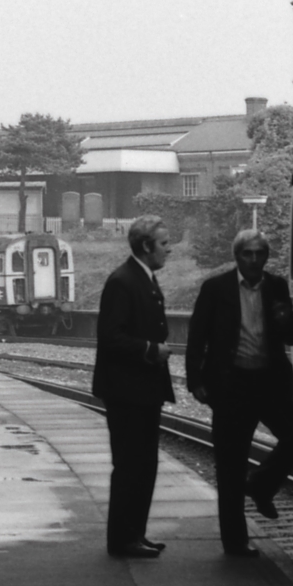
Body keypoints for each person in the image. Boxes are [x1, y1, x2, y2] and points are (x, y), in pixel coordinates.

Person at [186, 230, 293, 557]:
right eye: (247, 254)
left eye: (259, 254)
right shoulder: (216, 289)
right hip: (232, 386)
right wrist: (195, 380)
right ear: (237, 257)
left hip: (270, 385)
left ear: (266, 256)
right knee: (230, 465)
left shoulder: (277, 287)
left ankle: (261, 485)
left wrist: (286, 319)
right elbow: (197, 336)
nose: (254, 260)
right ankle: (235, 542)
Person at [91, 215, 175, 559]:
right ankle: (123, 538)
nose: (170, 249)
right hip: (127, 391)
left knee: (145, 464)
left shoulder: (143, 278)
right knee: (130, 465)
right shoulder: (123, 282)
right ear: (146, 246)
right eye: (165, 243)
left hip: (142, 390)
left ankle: (134, 534)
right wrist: (150, 350)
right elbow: (110, 336)